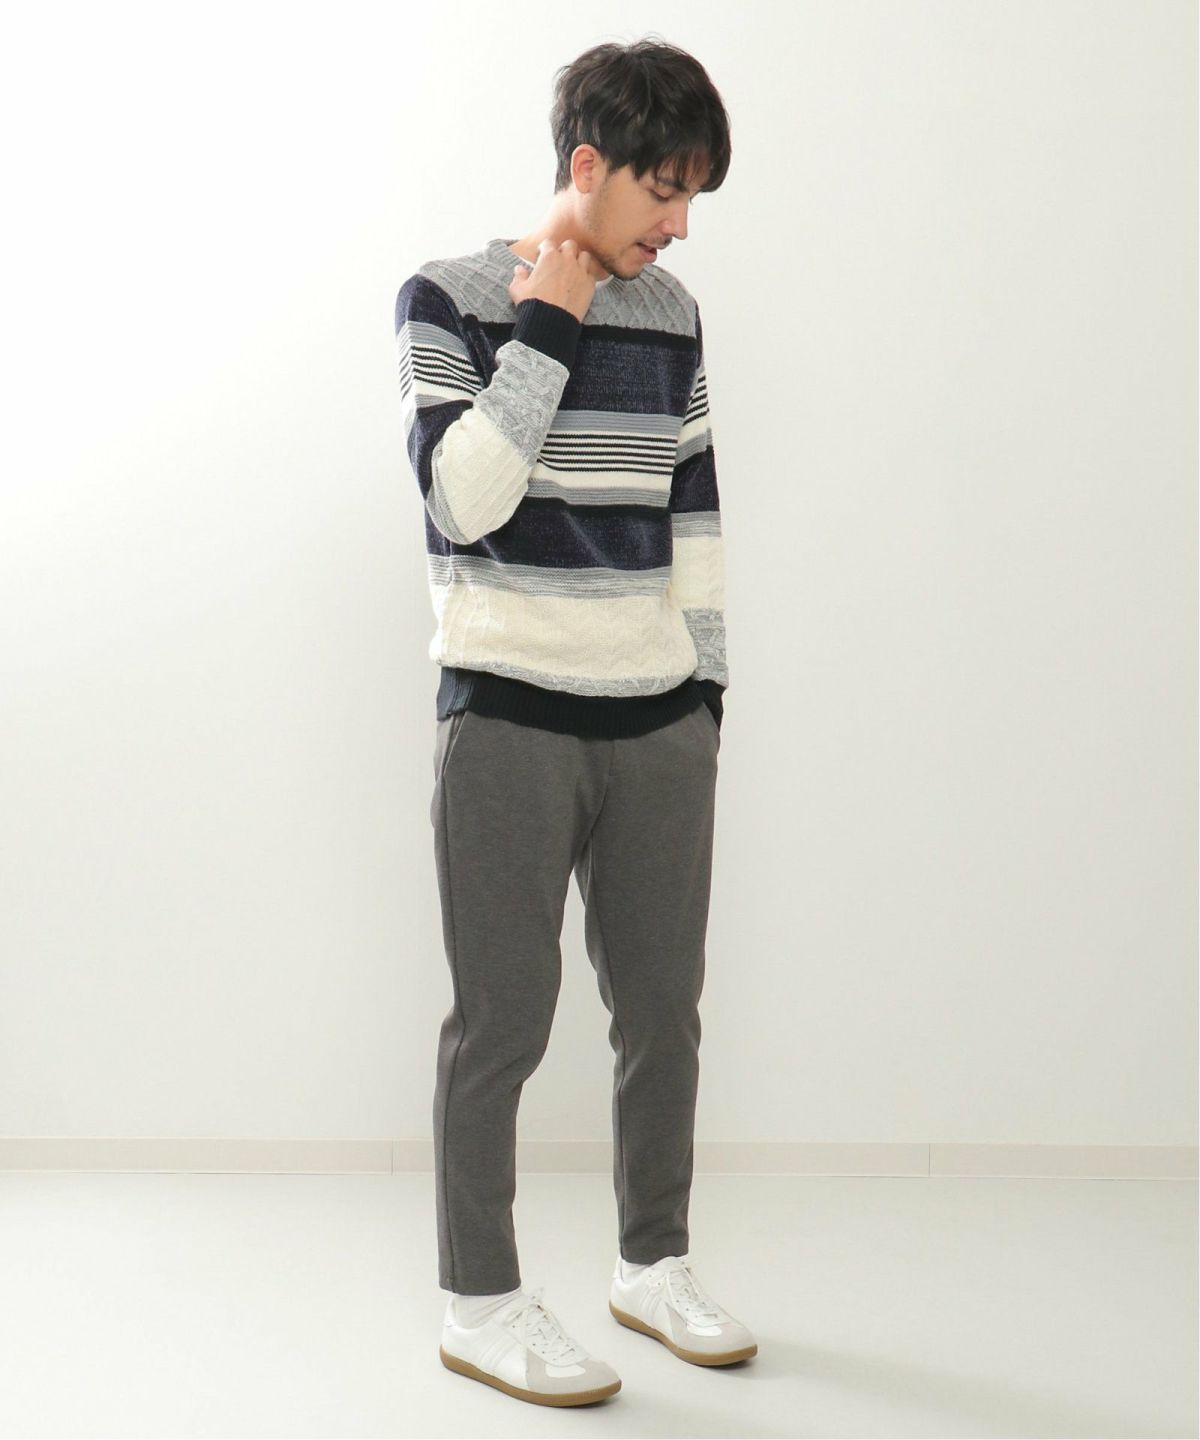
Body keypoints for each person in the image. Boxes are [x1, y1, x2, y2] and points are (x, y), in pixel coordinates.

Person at [393, 37, 756, 1407]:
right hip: (506, 722)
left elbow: (694, 514)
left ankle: (651, 1265)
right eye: (665, 190)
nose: (680, 225)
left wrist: (705, 694)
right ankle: (480, 1303)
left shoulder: (674, 316)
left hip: (658, 726)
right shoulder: (448, 297)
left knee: (664, 1015)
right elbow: (463, 502)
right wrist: (546, 323)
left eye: (694, 197)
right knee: (502, 1023)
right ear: (587, 165)